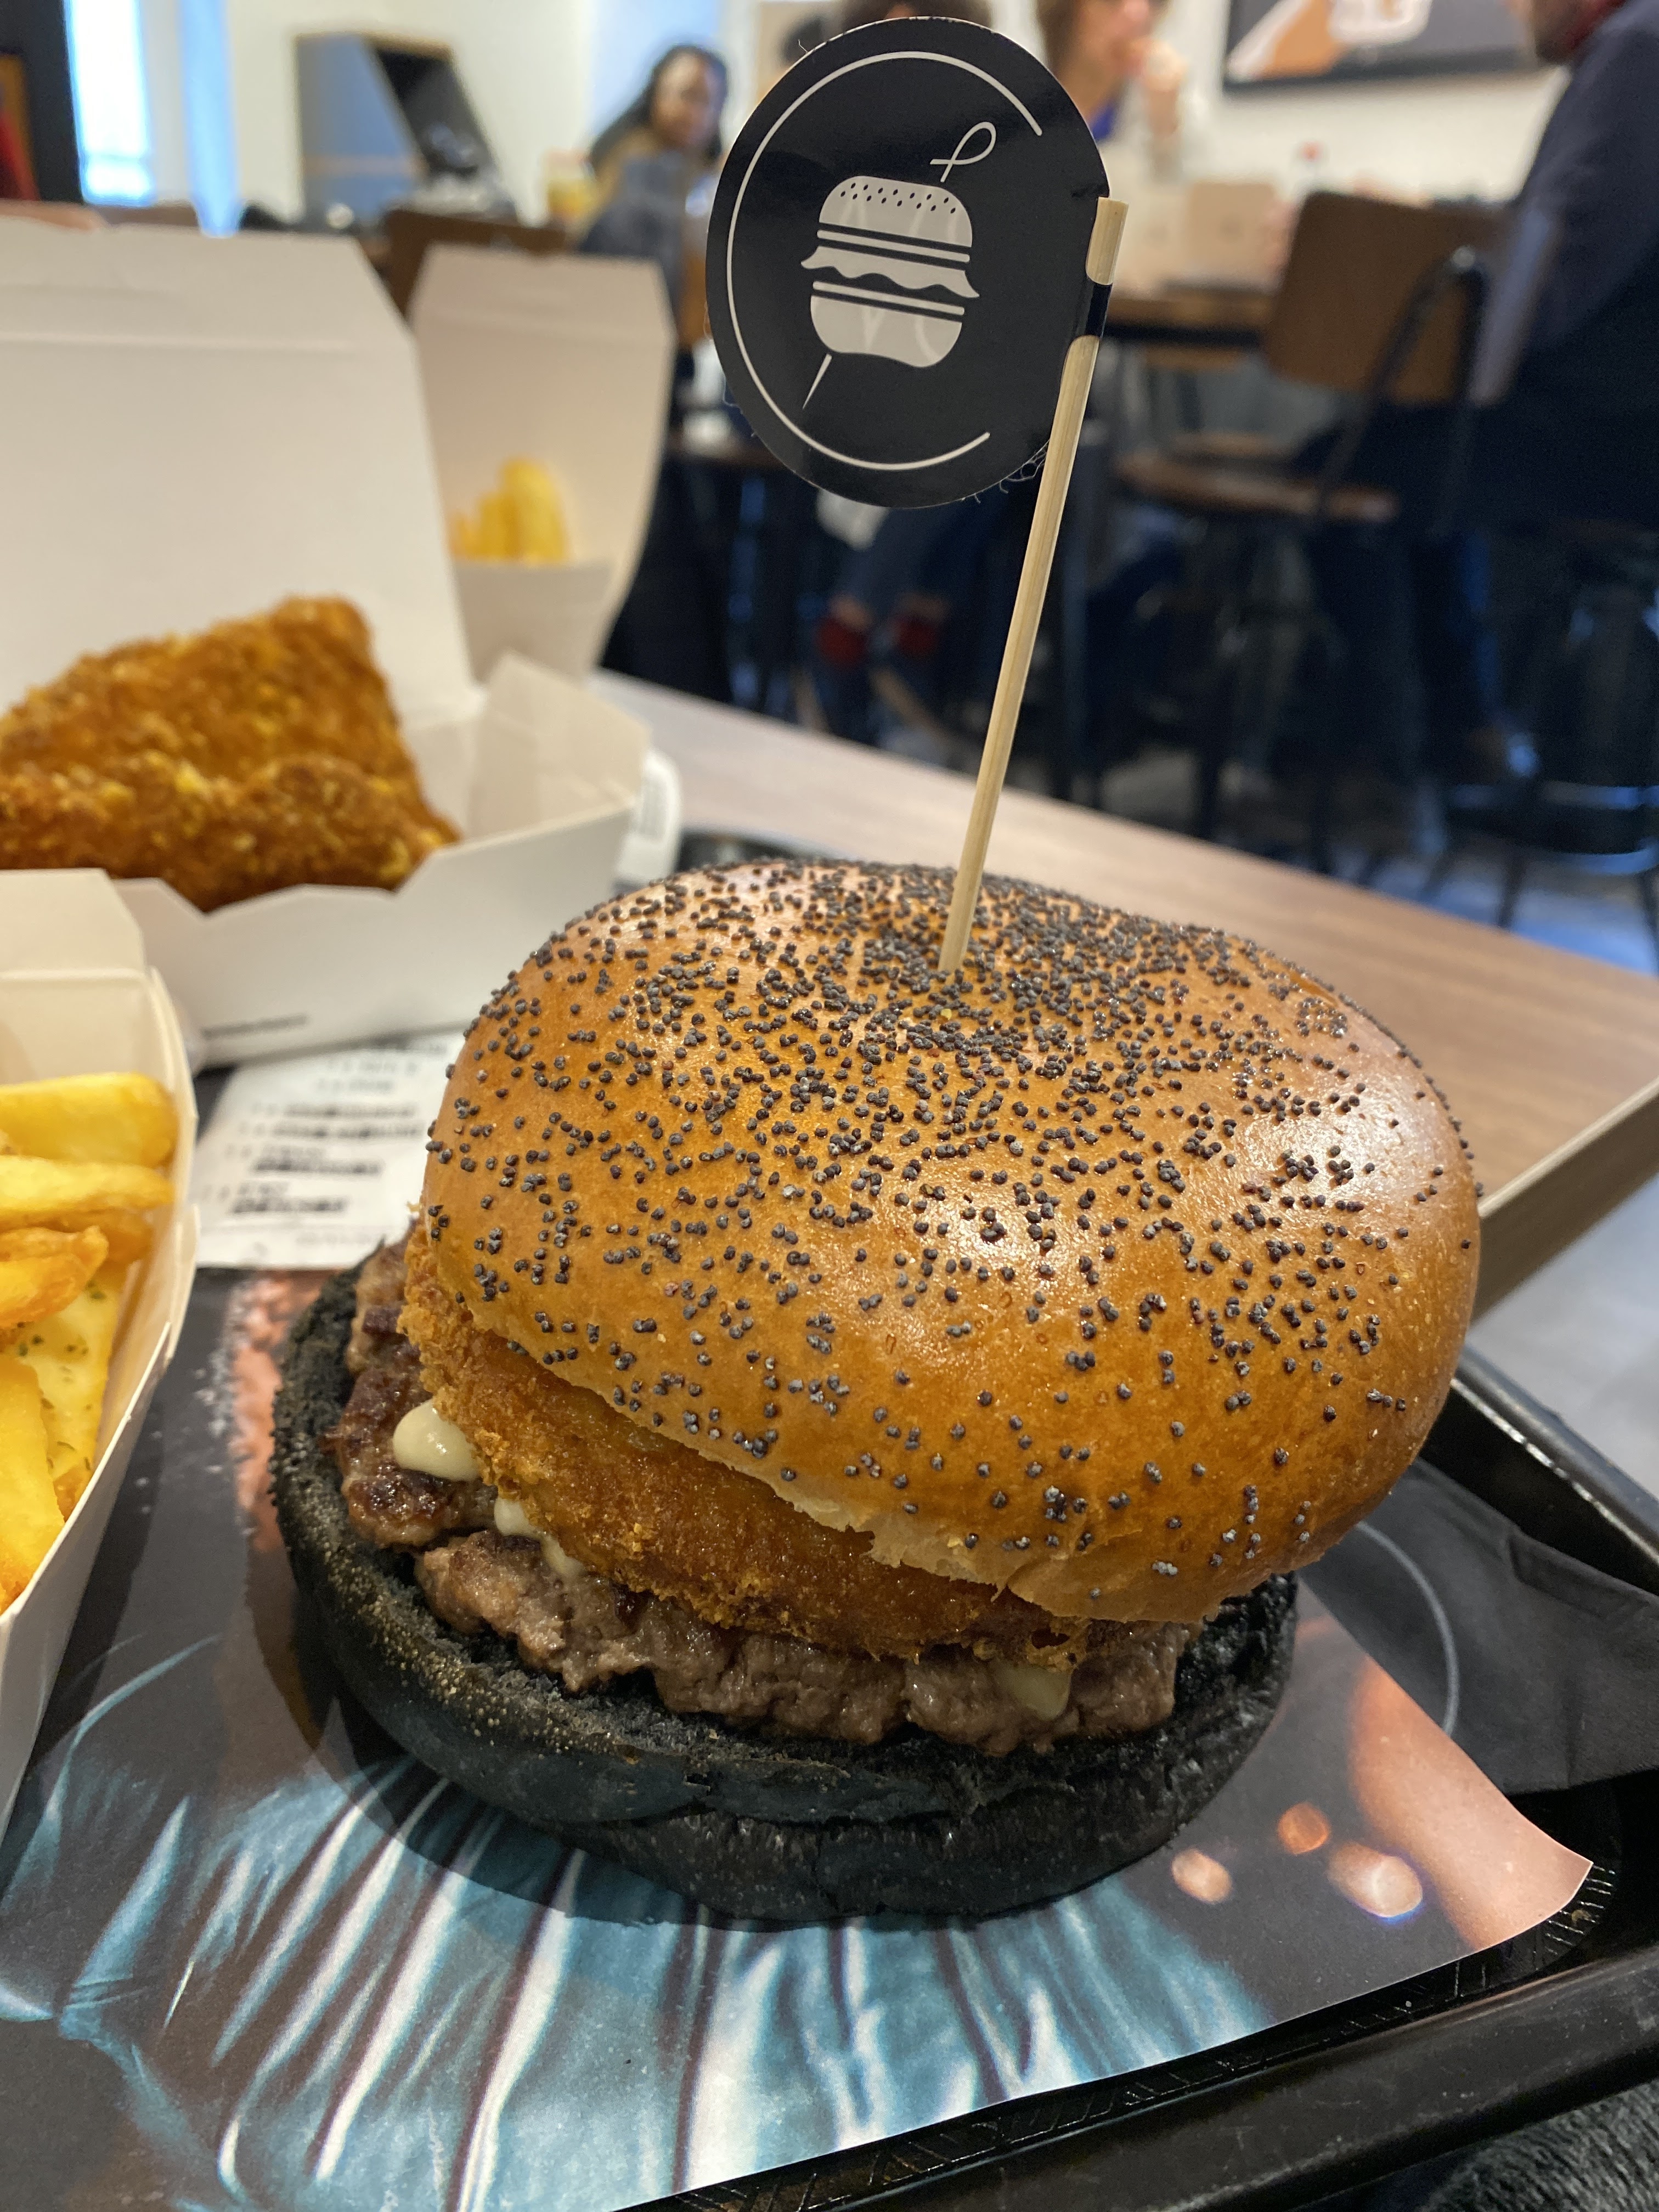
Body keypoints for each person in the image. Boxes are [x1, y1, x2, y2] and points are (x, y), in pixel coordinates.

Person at [1302, 0, 1659, 787]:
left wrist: (1403, 247)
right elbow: (1547, 233)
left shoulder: (1639, 46)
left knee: (1343, 471)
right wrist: (1433, 218)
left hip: (1609, 430)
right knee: (1411, 453)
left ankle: (1388, 772)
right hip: (1610, 422)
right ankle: (1463, 735)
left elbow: (1551, 275)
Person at [580, 46, 727, 314]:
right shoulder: (629, 162)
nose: (693, 113)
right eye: (686, 95)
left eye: (707, 101)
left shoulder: (711, 183)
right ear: (656, 95)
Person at [1037, 0, 1201, 183]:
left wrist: (1165, 135)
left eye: (1155, 1)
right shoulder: (1021, 96)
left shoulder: (1176, 111)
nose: (1140, 16)